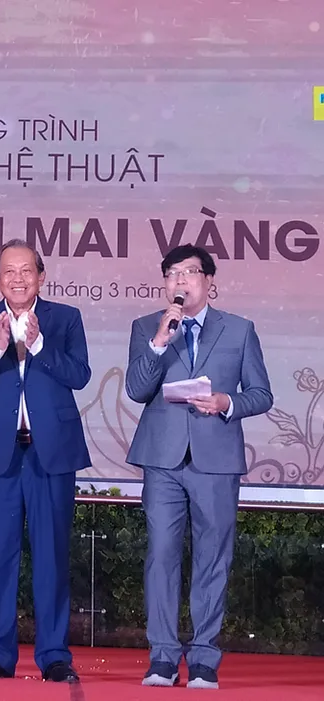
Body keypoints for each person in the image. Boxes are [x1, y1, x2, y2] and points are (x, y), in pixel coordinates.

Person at [125, 244, 272, 690]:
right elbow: (136, 390)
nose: (180, 280)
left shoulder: (239, 330)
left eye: (190, 272)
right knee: (162, 556)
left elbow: (261, 394)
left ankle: (205, 658)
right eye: (172, 273)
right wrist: (159, 343)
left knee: (213, 558)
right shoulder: (147, 327)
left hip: (216, 459)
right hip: (162, 459)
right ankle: (163, 657)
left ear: (209, 281)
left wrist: (227, 402)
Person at [0, 239, 90, 683]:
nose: (18, 279)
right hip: (0, 453)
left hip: (51, 453)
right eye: (9, 272)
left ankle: (54, 655)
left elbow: (79, 375)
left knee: (51, 555)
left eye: (26, 271)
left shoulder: (65, 318)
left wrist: (38, 346)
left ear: (41, 276)